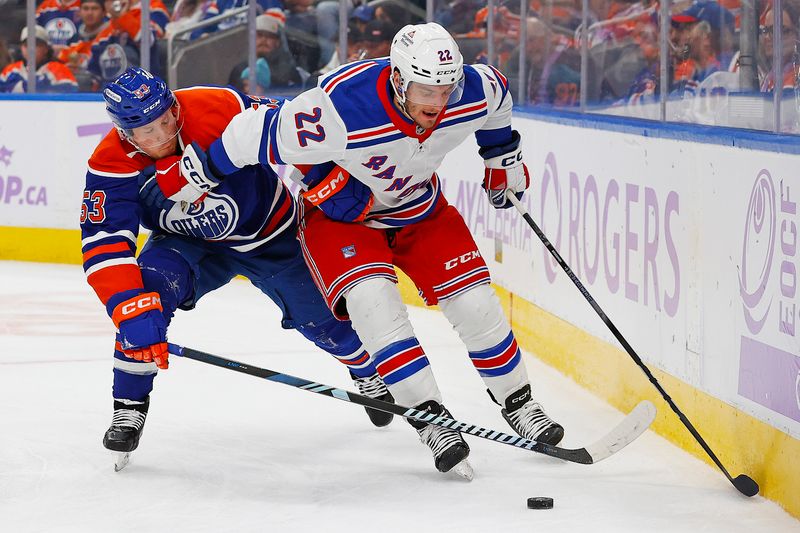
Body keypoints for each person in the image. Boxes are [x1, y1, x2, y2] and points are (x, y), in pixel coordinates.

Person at [160, 22, 565, 478]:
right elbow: (252, 132)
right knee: (375, 307)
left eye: (445, 89)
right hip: (342, 223)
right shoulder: (341, 107)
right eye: (424, 89)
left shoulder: (473, 89)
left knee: (475, 305)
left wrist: (502, 158)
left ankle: (520, 403)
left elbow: (500, 99)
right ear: (396, 77)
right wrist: (195, 172)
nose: (436, 102)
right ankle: (431, 420)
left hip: (419, 210)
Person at [80, 67, 394, 464]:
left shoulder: (216, 106)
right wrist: (126, 305)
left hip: (270, 234)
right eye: (147, 131)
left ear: (173, 107)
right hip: (184, 242)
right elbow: (104, 242)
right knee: (144, 301)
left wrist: (325, 180)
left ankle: (366, 371)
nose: (162, 136)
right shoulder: (110, 162)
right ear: (126, 134)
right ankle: (129, 404)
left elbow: (288, 132)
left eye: (165, 120)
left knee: (323, 320)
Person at [0, 25, 78, 93]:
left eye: (36, 45)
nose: (31, 49)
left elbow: (70, 92)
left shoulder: (59, 69)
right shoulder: (11, 70)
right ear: (21, 48)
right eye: (26, 45)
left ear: (46, 49)